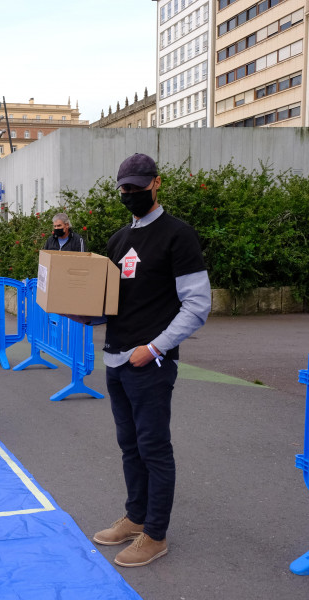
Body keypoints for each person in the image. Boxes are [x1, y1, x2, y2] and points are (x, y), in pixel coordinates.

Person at [79, 153, 211, 567]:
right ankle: (136, 517)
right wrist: (85, 313)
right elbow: (114, 304)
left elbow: (197, 305)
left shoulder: (178, 235)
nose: (130, 194)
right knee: (129, 446)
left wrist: (155, 347)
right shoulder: (118, 241)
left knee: (154, 448)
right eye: (124, 188)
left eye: (137, 186)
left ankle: (155, 534)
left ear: (157, 183)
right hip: (116, 359)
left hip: (150, 363)